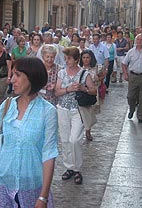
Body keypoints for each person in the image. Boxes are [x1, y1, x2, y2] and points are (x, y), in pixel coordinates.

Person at [0, 57, 58, 207]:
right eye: (12, 74)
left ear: (32, 77)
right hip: (0, 182)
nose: (12, 80)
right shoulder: (7, 106)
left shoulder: (48, 112)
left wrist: (43, 197)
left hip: (31, 185)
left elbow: (49, 154)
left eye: (18, 75)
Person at [54, 47, 96, 185]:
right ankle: (69, 167)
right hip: (62, 109)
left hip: (78, 110)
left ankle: (77, 168)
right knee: (65, 140)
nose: (66, 61)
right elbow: (57, 92)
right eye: (65, 58)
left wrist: (83, 88)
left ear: (76, 60)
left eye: (69, 59)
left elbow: (93, 91)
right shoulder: (61, 73)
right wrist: (68, 89)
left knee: (74, 140)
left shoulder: (84, 74)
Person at [79, 50, 102, 141]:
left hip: (92, 93)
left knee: (90, 112)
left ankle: (88, 130)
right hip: (81, 93)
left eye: (87, 57)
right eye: (84, 58)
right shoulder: (79, 68)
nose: (86, 60)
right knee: (83, 112)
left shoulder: (96, 68)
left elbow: (102, 77)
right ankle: (85, 130)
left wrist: (98, 78)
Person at [0, 39, 12, 112]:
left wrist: (9, 77)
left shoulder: (6, 55)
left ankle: (1, 109)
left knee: (1, 94)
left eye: (1, 45)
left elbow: (9, 67)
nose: (0, 47)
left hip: (3, 77)